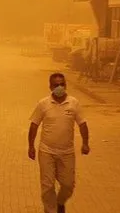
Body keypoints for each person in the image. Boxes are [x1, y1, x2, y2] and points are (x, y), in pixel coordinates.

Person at [28, 73, 90, 213]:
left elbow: (82, 123)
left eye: (62, 84)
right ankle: (51, 210)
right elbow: (34, 125)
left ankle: (60, 202)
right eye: (56, 85)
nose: (59, 87)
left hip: (67, 153)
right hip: (46, 151)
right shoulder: (43, 104)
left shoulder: (74, 103)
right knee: (48, 186)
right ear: (50, 87)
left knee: (68, 185)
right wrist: (31, 146)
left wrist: (85, 143)